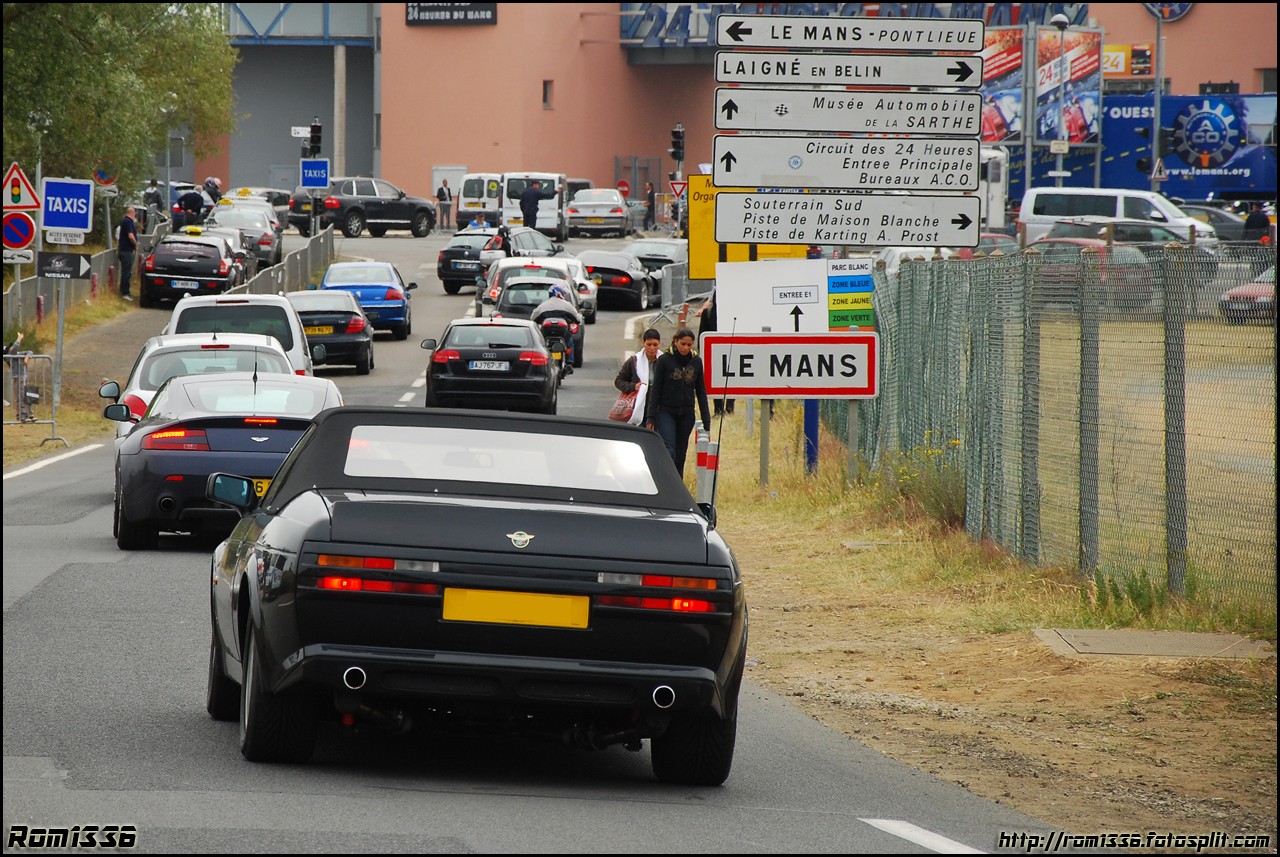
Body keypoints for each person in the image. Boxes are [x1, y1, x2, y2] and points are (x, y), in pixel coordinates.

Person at [644, 327, 711, 478]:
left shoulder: (696, 362)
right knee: (670, 450)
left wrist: (706, 420)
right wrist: (651, 417)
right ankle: (666, 480)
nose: (686, 348)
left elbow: (701, 392)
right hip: (666, 412)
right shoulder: (664, 361)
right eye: (683, 344)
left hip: (686, 415)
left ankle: (677, 485)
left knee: (681, 455)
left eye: (689, 345)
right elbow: (656, 390)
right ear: (676, 342)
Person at [614, 327, 662, 426]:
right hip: (638, 409)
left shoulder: (664, 361)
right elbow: (619, 381)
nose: (652, 348)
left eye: (655, 345)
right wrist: (633, 387)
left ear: (659, 344)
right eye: (649, 344)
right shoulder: (634, 361)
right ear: (643, 343)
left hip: (659, 410)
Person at [530, 284, 582, 374]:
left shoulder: (543, 305)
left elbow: (532, 319)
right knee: (569, 343)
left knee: (543, 345)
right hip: (563, 333)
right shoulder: (567, 305)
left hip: (546, 332)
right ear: (560, 293)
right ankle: (569, 363)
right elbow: (578, 319)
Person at [697, 290, 733, 415]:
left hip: (730, 350)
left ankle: (730, 408)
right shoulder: (708, 313)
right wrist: (702, 355)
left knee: (731, 379)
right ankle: (718, 410)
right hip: (714, 353)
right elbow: (702, 335)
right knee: (716, 380)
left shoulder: (732, 312)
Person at [5, 331, 34, 422]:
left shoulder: (18, 354)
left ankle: (29, 414)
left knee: (26, 395)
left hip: (23, 377)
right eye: (10, 348)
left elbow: (30, 351)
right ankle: (22, 415)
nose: (12, 348)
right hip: (17, 377)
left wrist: (26, 357)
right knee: (20, 396)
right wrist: (19, 339)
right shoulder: (9, 356)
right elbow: (14, 350)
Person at [116, 207, 138, 301]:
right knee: (127, 272)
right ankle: (125, 292)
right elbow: (130, 235)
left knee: (126, 272)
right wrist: (136, 244)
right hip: (126, 251)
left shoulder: (125, 221)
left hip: (123, 250)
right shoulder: (128, 222)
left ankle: (123, 290)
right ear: (132, 213)